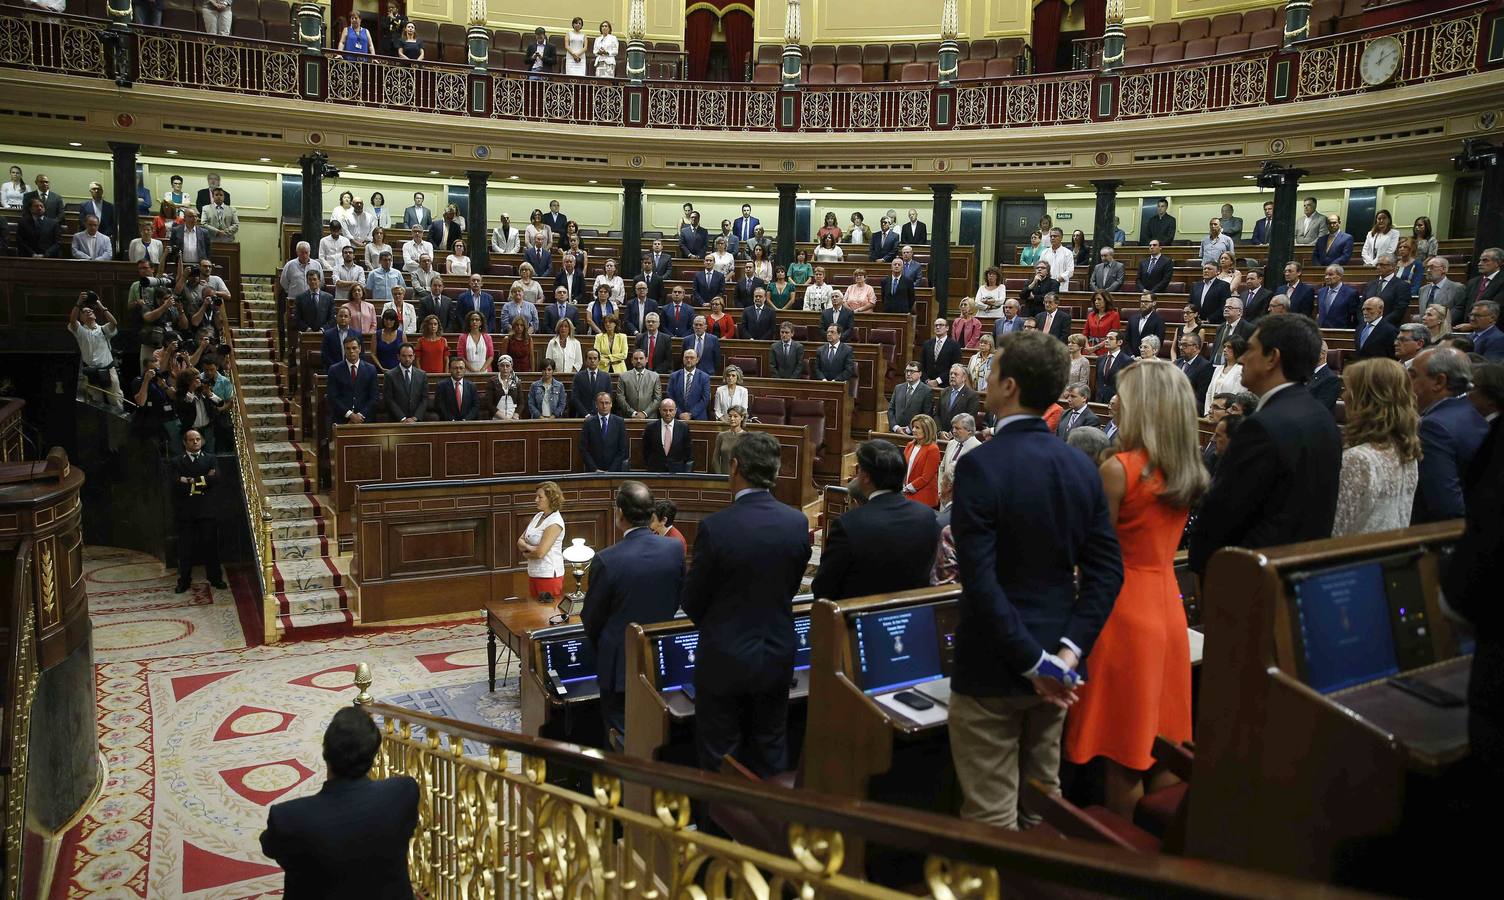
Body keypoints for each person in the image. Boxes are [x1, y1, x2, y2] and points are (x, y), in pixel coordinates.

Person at [949, 330, 1123, 829]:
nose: (984, 379)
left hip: (995, 667)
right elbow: (1106, 573)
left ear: (1008, 386)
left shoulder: (981, 464)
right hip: (1058, 670)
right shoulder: (1080, 463)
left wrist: (1033, 662)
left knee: (990, 820)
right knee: (1043, 809)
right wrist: (1065, 654)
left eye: (992, 370)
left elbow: (980, 582)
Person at [1064, 359, 1205, 818]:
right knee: (1160, 743)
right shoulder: (1185, 470)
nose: (1114, 401)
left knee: (1121, 751)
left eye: (1122, 394)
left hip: (1121, 610)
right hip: (1166, 607)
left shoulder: (1120, 469)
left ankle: (1120, 859)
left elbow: (1089, 552)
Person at [680, 432, 810, 776]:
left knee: (720, 758)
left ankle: (717, 831)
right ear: (776, 472)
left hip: (725, 659)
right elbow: (791, 587)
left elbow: (692, 601)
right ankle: (765, 829)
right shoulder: (797, 523)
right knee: (770, 749)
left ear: (734, 467)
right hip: (778, 654)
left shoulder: (716, 527)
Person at [1188, 315, 1342, 575]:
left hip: (1252, 577)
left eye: (1249, 349)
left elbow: (1223, 515)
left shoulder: (1260, 427)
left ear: (1272, 358)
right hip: (1301, 572)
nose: (1242, 358)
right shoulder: (1320, 416)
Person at [260, 706, 418, 899]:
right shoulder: (404, 793)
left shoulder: (287, 818)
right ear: (374, 755)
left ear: (325, 751)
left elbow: (270, 847)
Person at [581, 481, 683, 744]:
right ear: (651, 514)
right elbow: (676, 600)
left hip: (618, 666)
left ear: (620, 514)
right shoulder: (673, 550)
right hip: (660, 657)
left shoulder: (607, 559)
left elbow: (590, 619)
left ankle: (622, 785)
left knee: (620, 736)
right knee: (655, 730)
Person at [812, 438, 941, 601]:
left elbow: (823, 589)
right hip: (913, 618)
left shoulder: (849, 524)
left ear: (865, 477)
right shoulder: (927, 516)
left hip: (862, 620)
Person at [1330, 359, 1421, 537]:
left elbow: (1338, 530)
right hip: (1390, 553)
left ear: (1365, 399)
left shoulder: (1360, 458)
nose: (1344, 396)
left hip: (1358, 558)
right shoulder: (1405, 448)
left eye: (1349, 390)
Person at [1410, 347, 1489, 524]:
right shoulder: (1472, 411)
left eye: (1413, 376)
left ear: (1439, 382)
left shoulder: (1434, 427)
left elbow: (1446, 508)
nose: (1407, 382)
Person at [68, 294, 123, 411]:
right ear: (81, 318)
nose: (88, 312)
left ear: (95, 315)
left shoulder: (103, 329)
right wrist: (78, 302)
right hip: (91, 372)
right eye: (84, 312)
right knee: (96, 403)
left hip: (108, 369)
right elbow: (72, 320)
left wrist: (100, 305)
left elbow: (114, 323)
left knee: (116, 400)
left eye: (90, 311)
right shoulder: (80, 331)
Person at [938, 413, 981, 507]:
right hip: (945, 498)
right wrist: (941, 490)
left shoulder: (979, 449)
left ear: (969, 430)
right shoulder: (951, 443)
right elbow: (942, 468)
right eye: (953, 428)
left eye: (957, 428)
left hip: (963, 503)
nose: (953, 431)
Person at [578, 391, 628, 472]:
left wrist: (611, 470)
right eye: (601, 403)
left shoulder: (619, 422)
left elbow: (622, 450)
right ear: (596, 405)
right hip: (593, 471)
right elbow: (583, 449)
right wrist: (594, 469)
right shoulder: (588, 423)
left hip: (614, 471)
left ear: (611, 404)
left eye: (607, 403)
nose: (604, 406)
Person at [901, 414, 942, 508]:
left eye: (917, 427)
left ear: (927, 430)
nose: (914, 430)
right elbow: (903, 467)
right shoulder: (910, 445)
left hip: (923, 497)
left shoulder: (932, 449)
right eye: (913, 427)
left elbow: (926, 477)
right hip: (906, 494)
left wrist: (907, 488)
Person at [383, 343, 428, 423]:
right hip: (396, 421)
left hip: (417, 421)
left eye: (410, 356)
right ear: (398, 356)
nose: (407, 359)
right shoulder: (390, 375)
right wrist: (402, 418)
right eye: (404, 356)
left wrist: (415, 418)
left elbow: (424, 399)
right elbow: (389, 399)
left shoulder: (422, 375)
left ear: (414, 356)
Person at [644, 398, 691, 472]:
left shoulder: (683, 427)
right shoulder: (650, 428)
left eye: (671, 410)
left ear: (675, 411)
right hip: (655, 470)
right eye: (665, 410)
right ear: (660, 410)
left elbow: (688, 452)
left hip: (677, 471)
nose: (668, 413)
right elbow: (646, 451)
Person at [669, 349, 712, 420]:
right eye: (686, 357)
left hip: (698, 418)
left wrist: (691, 414)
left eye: (692, 358)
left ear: (697, 360)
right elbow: (670, 396)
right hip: (678, 417)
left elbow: (705, 399)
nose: (689, 360)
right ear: (683, 359)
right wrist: (679, 413)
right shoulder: (674, 376)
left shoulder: (704, 377)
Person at [433, 355, 478, 422]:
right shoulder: (441, 386)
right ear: (450, 369)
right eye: (455, 368)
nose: (458, 371)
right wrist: (451, 420)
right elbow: (440, 406)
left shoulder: (471, 386)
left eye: (461, 368)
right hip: (447, 423)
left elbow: (475, 406)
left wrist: (466, 420)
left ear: (465, 370)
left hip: (467, 423)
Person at [712, 405, 748, 474]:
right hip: (723, 477)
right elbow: (715, 459)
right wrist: (719, 476)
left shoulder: (747, 437)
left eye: (735, 416)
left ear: (742, 417)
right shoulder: (721, 436)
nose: (732, 418)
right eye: (730, 416)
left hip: (740, 477)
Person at [1083, 292, 1120, 356]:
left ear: (1106, 300)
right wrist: (1087, 347)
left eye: (1099, 299)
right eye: (1095, 300)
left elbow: (1114, 335)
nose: (1096, 302)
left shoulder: (1114, 315)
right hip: (1089, 348)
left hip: (1105, 348)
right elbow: (1085, 334)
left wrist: (1095, 348)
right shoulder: (1091, 315)